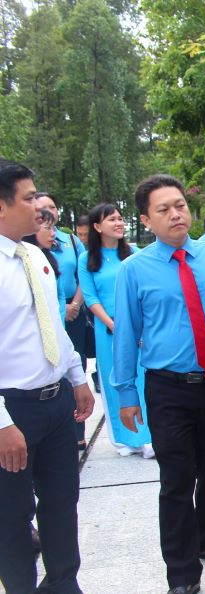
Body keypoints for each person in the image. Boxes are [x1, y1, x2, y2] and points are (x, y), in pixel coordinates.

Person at [113, 174, 205, 594]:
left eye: (180, 205)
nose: (176, 214)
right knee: (176, 481)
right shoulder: (134, 270)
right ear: (146, 220)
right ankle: (182, 575)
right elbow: (127, 334)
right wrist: (126, 394)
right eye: (164, 209)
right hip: (167, 389)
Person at [0, 159, 95, 594]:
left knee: (61, 505)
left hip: (56, 403)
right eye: (27, 197)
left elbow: (51, 323)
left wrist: (76, 376)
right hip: (12, 410)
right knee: (12, 515)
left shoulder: (35, 254)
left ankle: (62, 584)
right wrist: (2, 423)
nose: (39, 207)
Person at [78, 203, 154, 458]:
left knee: (142, 379)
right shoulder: (87, 258)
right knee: (115, 380)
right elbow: (90, 298)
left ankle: (148, 437)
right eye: (112, 219)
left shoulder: (134, 253)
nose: (119, 223)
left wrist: (136, 327)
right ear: (98, 227)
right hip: (107, 329)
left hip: (138, 327)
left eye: (120, 218)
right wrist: (115, 326)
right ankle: (125, 438)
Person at [36, 192, 89, 450]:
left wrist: (75, 305)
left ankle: (76, 430)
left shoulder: (69, 240)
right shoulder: (31, 254)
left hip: (73, 309)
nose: (50, 211)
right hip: (55, 314)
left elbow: (82, 273)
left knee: (74, 362)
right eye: (42, 208)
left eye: (52, 207)